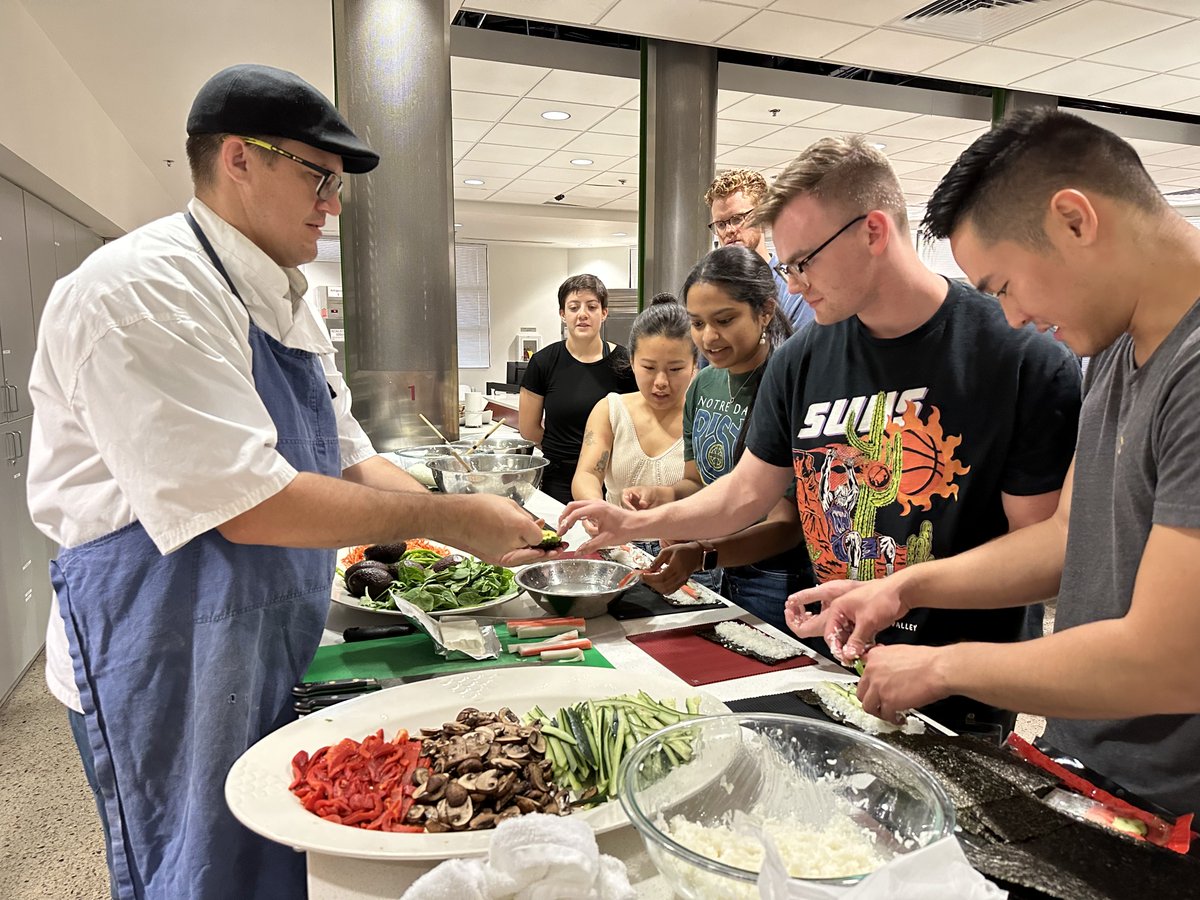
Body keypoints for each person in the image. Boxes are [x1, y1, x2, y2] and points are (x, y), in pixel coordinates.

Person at [26, 64, 547, 900]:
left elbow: (344, 453)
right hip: (158, 643)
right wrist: (451, 518)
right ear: (238, 158)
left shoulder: (286, 299)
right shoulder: (142, 289)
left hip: (257, 630)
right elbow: (250, 503)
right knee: (192, 871)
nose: (332, 202)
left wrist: (481, 526)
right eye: (318, 176)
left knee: (273, 855)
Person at [561, 136, 1081, 738]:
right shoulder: (803, 358)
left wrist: (902, 593)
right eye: (785, 267)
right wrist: (636, 525)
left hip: (956, 681)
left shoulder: (1016, 352)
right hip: (830, 659)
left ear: (873, 232)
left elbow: (1043, 552)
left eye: (803, 261)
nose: (793, 284)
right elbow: (744, 493)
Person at [791, 109, 1200, 816]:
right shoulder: (1116, 347)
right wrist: (906, 589)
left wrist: (944, 665)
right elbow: (1067, 536)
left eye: (1005, 284)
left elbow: (1171, 660)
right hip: (1098, 775)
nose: (1011, 318)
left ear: (1075, 219)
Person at [625, 245, 807, 623]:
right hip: (710, 566)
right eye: (697, 323)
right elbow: (697, 481)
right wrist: (661, 497)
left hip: (773, 578)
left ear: (766, 311)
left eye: (724, 320)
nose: (708, 337)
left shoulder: (785, 387)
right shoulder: (703, 384)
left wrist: (704, 550)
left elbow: (786, 524)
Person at [571, 298, 696, 556]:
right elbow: (587, 474)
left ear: (695, 364)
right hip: (618, 546)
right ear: (632, 360)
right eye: (649, 367)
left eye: (675, 369)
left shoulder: (703, 417)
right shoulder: (611, 410)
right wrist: (598, 511)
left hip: (685, 554)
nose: (661, 382)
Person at [519, 274, 638, 503]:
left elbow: (638, 423)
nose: (582, 314)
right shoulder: (543, 362)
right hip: (558, 478)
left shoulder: (625, 363)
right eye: (574, 307)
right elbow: (528, 428)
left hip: (612, 477)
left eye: (592, 307)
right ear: (563, 314)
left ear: (604, 313)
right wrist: (564, 450)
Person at [706, 168, 813, 332]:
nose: (729, 231)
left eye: (737, 219)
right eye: (720, 224)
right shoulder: (710, 288)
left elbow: (803, 353)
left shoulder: (792, 287)